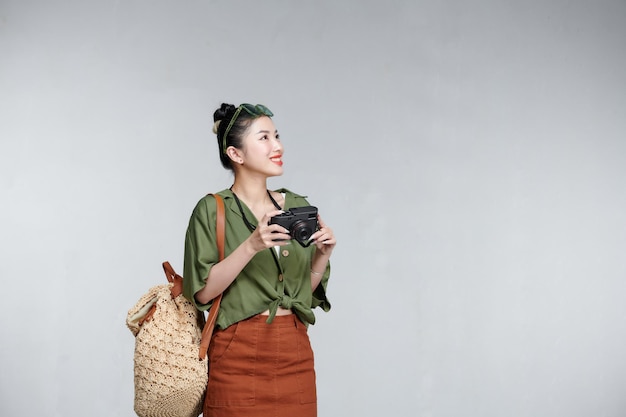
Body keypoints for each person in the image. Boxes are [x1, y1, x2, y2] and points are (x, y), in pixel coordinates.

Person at [183, 103, 336, 417]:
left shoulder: (295, 205)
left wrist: (322, 256)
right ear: (236, 154)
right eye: (264, 138)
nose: (277, 146)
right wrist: (251, 246)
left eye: (276, 136)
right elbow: (201, 293)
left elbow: (302, 291)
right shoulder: (213, 210)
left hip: (294, 352)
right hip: (237, 353)